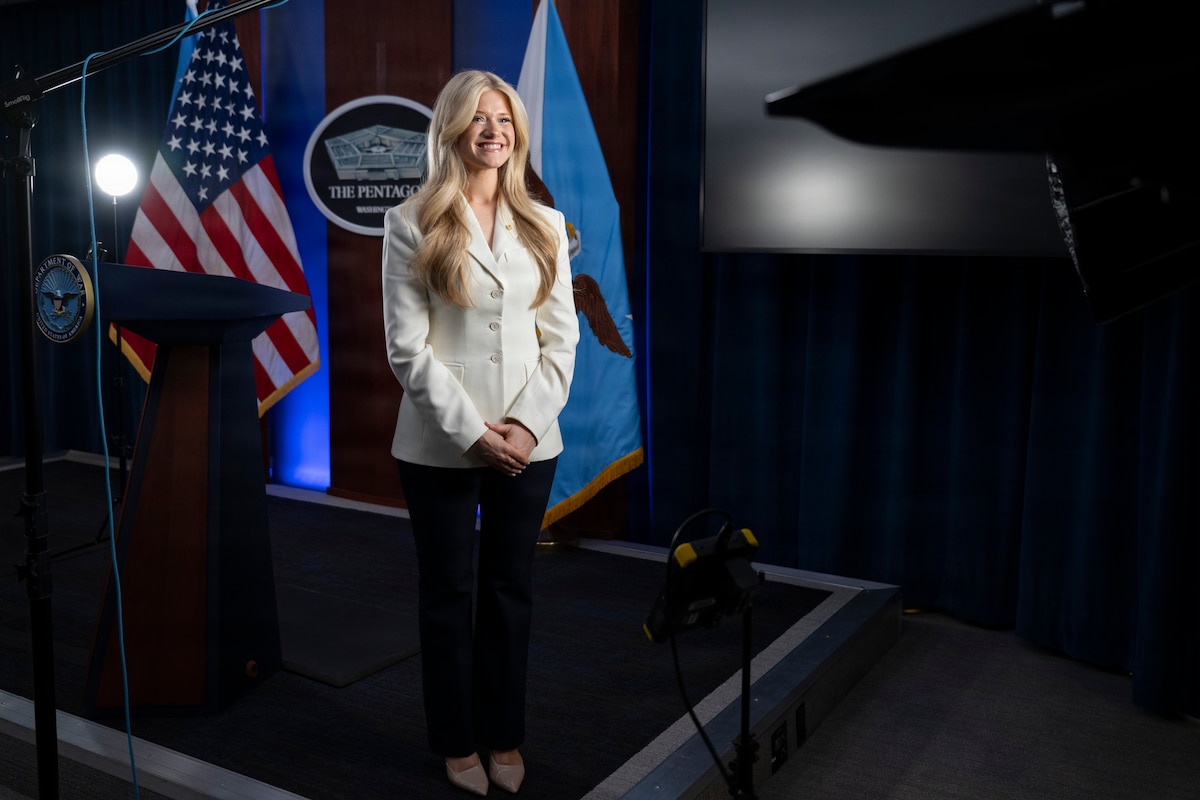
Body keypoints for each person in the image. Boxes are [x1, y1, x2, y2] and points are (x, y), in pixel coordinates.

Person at [381, 69, 580, 796]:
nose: (493, 131)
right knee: (447, 593)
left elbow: (561, 340)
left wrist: (523, 427)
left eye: (503, 119)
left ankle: (503, 734)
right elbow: (407, 348)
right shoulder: (409, 221)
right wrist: (473, 433)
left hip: (530, 442)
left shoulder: (546, 224)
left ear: (516, 133)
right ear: (452, 129)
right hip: (440, 442)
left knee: (509, 589)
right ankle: (456, 741)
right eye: (477, 118)